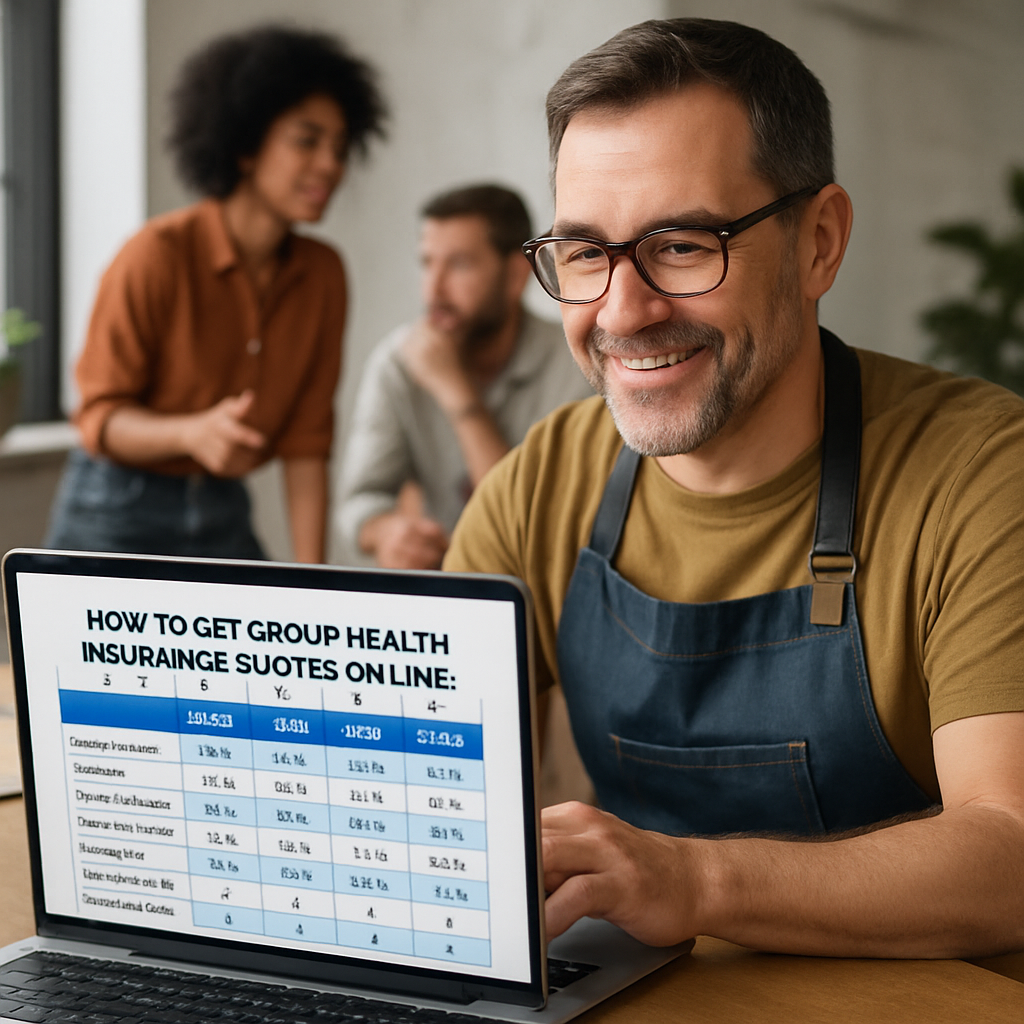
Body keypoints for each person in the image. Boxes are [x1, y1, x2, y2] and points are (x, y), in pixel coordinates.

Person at [445, 18, 1024, 958]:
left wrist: (695, 881)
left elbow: (1012, 853)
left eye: (680, 244)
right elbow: (430, 799)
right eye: (586, 253)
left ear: (820, 243)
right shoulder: (540, 486)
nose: (623, 312)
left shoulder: (981, 473)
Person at [45, 25, 386, 563]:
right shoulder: (153, 255)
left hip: (223, 507)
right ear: (246, 146)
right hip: (113, 507)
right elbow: (98, 419)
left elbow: (306, 443)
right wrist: (189, 433)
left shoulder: (324, 275)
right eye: (307, 140)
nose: (331, 165)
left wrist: (314, 584)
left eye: (340, 148)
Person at [336, 184, 592, 569]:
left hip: (548, 589)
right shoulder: (397, 362)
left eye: (458, 265)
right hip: (445, 595)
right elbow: (358, 501)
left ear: (515, 277)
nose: (433, 289)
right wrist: (386, 531)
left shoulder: (578, 363)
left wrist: (457, 394)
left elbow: (528, 528)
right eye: (426, 263)